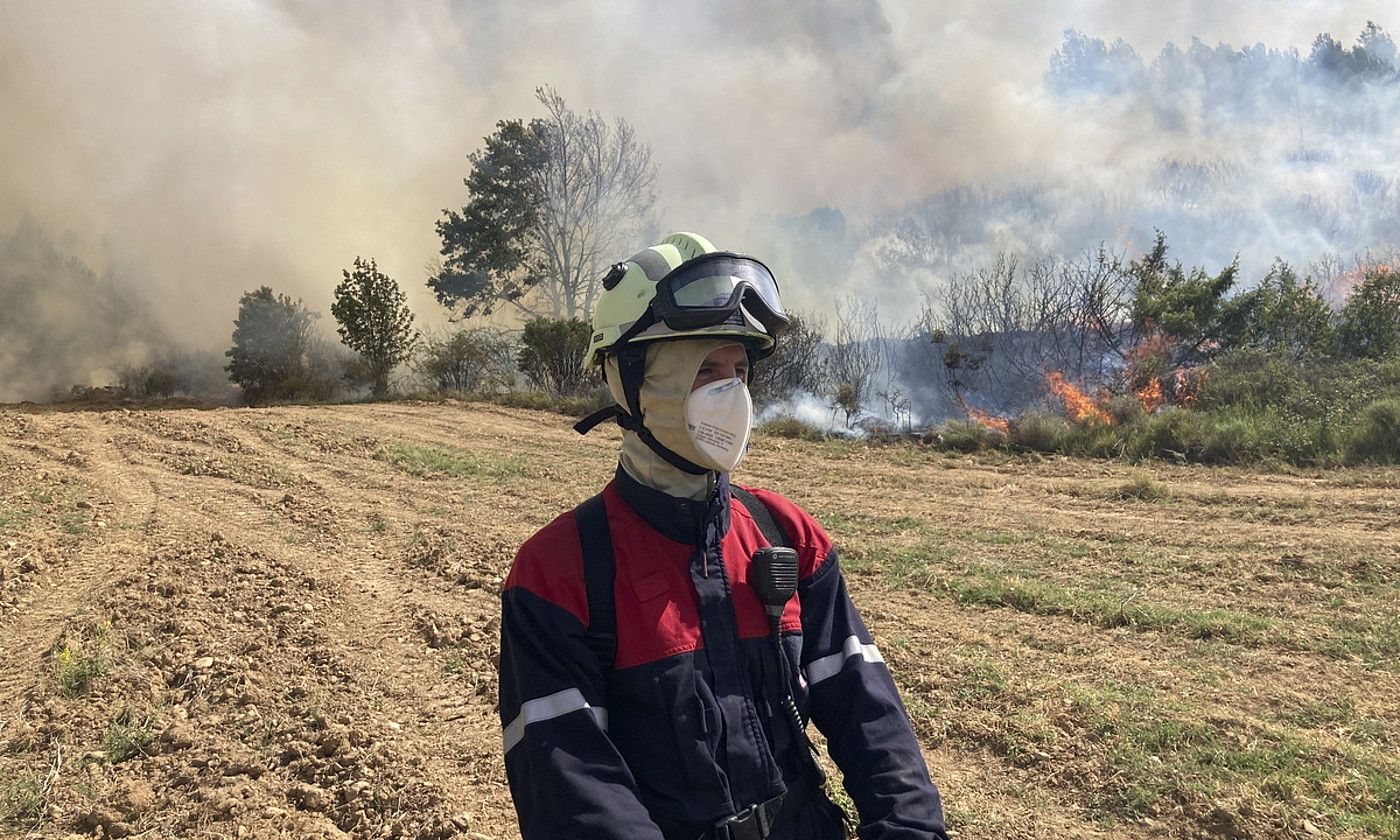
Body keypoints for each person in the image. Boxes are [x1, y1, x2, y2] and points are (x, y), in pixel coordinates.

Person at [498, 233, 948, 840]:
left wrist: (909, 830)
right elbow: (573, 789)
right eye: (706, 370)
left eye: (739, 370)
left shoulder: (788, 536)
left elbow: (870, 715)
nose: (731, 394)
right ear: (629, 381)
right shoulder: (556, 574)